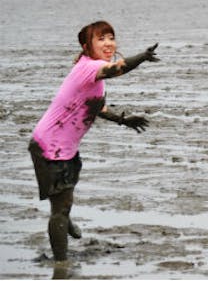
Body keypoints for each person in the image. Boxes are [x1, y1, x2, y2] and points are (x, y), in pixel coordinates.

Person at [28, 20, 159, 275]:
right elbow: (118, 69)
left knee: (64, 198)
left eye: (111, 37)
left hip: (62, 147)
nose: (109, 43)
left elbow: (95, 106)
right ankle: (61, 265)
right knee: (60, 209)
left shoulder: (89, 69)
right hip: (50, 146)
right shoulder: (91, 67)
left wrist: (123, 120)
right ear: (87, 45)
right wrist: (142, 57)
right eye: (101, 39)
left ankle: (65, 219)